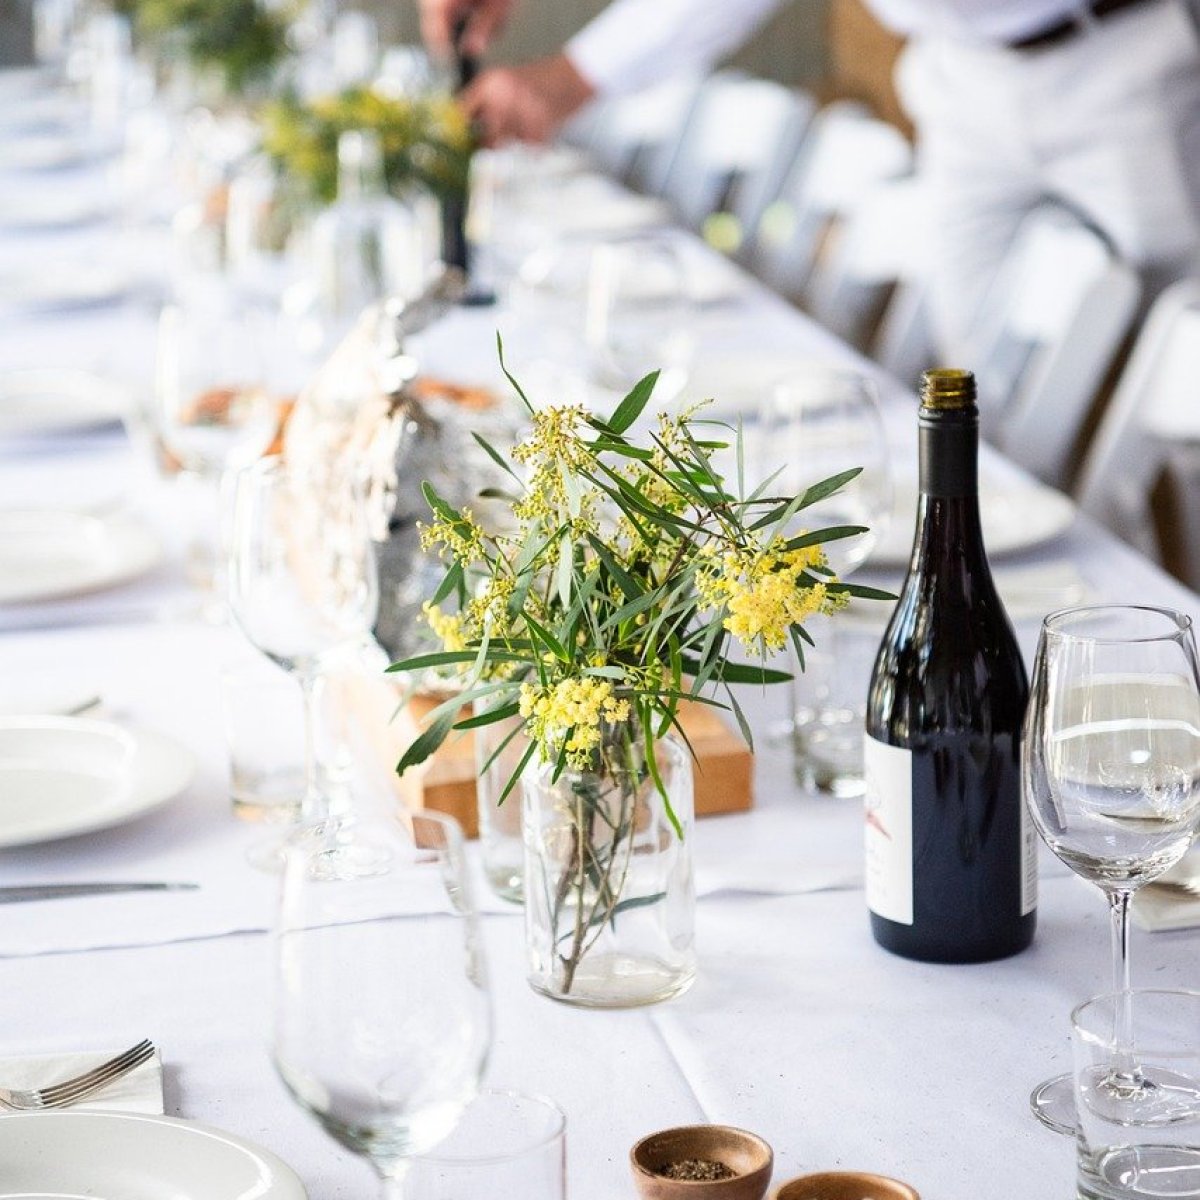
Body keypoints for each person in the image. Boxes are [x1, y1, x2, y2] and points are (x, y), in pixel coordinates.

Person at [417, 0, 1200, 361]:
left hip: (1121, 57)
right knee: (971, 376)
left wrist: (575, 75)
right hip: (961, 76)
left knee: (1183, 375)